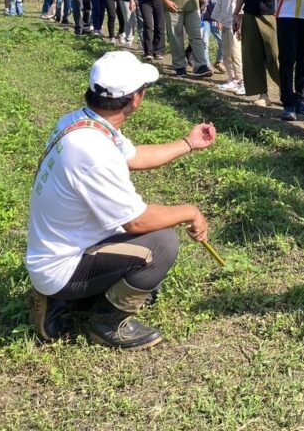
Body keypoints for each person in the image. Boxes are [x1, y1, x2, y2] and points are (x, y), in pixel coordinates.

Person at [25, 50, 217, 349]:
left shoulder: (82, 123)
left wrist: (188, 144)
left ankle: (62, 302)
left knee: (147, 249)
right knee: (162, 245)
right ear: (135, 99)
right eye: (143, 90)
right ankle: (108, 323)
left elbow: (135, 156)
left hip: (58, 252)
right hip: (62, 267)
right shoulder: (93, 151)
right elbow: (137, 221)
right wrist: (191, 212)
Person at [213, 0, 245, 95]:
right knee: (226, 53)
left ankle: (242, 81)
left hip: (235, 26)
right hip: (225, 23)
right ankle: (232, 79)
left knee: (236, 53)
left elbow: (242, 10)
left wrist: (240, 26)